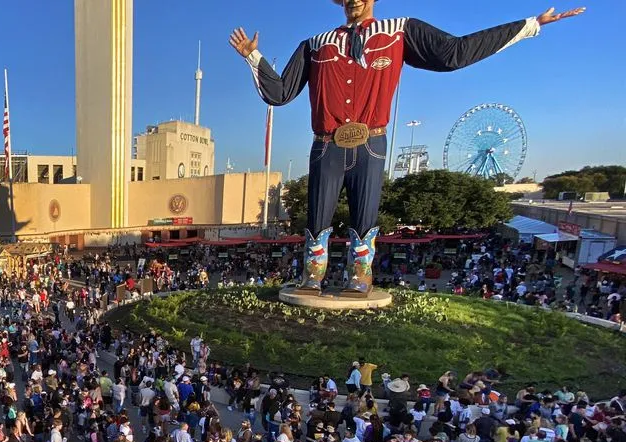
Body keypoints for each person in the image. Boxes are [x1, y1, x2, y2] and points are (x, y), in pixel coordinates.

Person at [229, 0, 584, 297]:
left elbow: (454, 53)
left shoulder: (400, 31)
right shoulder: (315, 44)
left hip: (371, 140)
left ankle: (359, 277)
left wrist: (528, 25)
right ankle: (313, 276)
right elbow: (279, 93)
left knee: (364, 218)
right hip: (326, 144)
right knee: (317, 218)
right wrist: (253, 56)